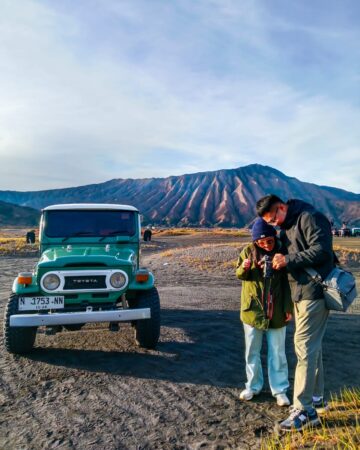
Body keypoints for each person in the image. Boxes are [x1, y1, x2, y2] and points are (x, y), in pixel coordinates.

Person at [256, 194, 334, 431]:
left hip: (314, 292)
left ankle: (304, 410)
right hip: (298, 294)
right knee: (312, 347)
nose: (273, 224)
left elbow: (322, 250)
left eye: (273, 219)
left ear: (282, 207)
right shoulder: (286, 226)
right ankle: (317, 399)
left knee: (303, 348)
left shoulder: (309, 218)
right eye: (269, 223)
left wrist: (287, 259)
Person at [236, 218, 293, 407]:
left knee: (277, 352)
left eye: (269, 241)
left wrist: (287, 308)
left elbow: (286, 283)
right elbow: (240, 275)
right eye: (261, 242)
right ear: (254, 242)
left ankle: (280, 389)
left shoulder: (281, 252)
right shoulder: (247, 252)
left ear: (274, 237)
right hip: (252, 310)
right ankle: (253, 386)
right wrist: (245, 267)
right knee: (252, 351)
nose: (266, 245)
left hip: (276, 310)